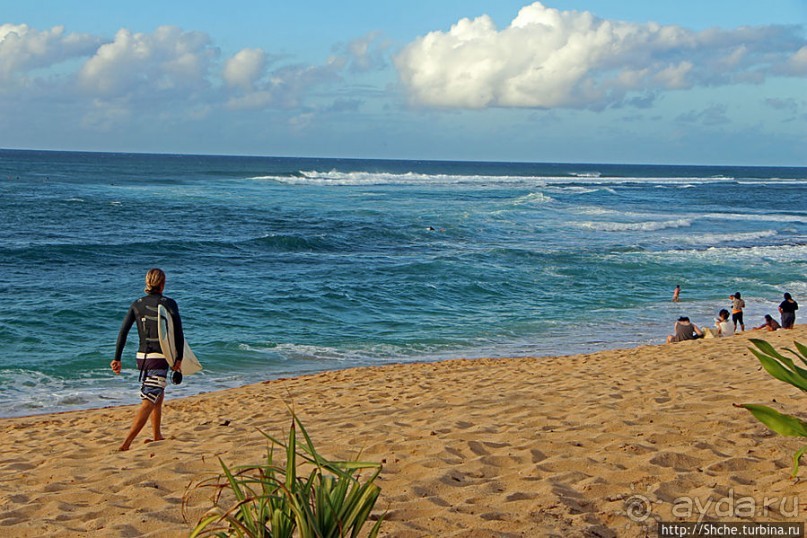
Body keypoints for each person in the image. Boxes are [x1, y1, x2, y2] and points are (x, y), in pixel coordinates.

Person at [111, 268, 184, 451]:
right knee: (149, 399)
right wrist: (179, 358)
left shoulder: (137, 304)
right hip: (160, 357)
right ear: (162, 283)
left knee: (157, 394)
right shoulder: (169, 303)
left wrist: (117, 358)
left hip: (142, 358)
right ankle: (126, 443)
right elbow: (177, 332)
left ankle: (157, 435)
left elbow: (123, 332)